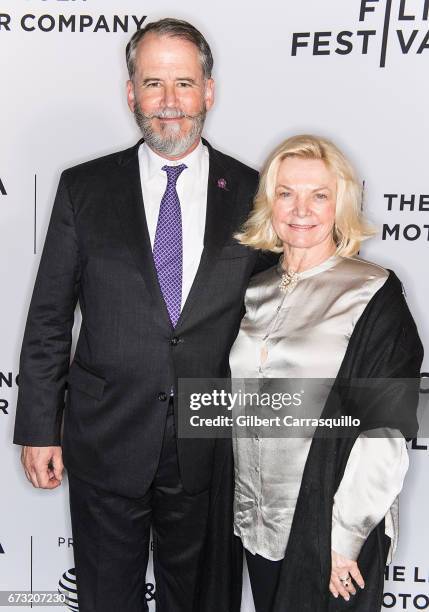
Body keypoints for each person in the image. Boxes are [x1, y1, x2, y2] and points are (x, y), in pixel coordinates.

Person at [13, 18, 274, 612]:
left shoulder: (257, 193)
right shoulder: (83, 187)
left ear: (209, 90)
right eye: (153, 84)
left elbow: (276, 323)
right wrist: (35, 424)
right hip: (106, 435)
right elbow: (50, 314)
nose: (169, 103)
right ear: (130, 93)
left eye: (184, 84)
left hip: (212, 443)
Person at [229, 134, 423, 611]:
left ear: (341, 204)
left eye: (319, 195)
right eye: (286, 193)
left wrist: (346, 536)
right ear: (268, 203)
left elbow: (386, 428)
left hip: (325, 526)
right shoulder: (253, 288)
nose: (301, 209)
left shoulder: (371, 291)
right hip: (254, 522)